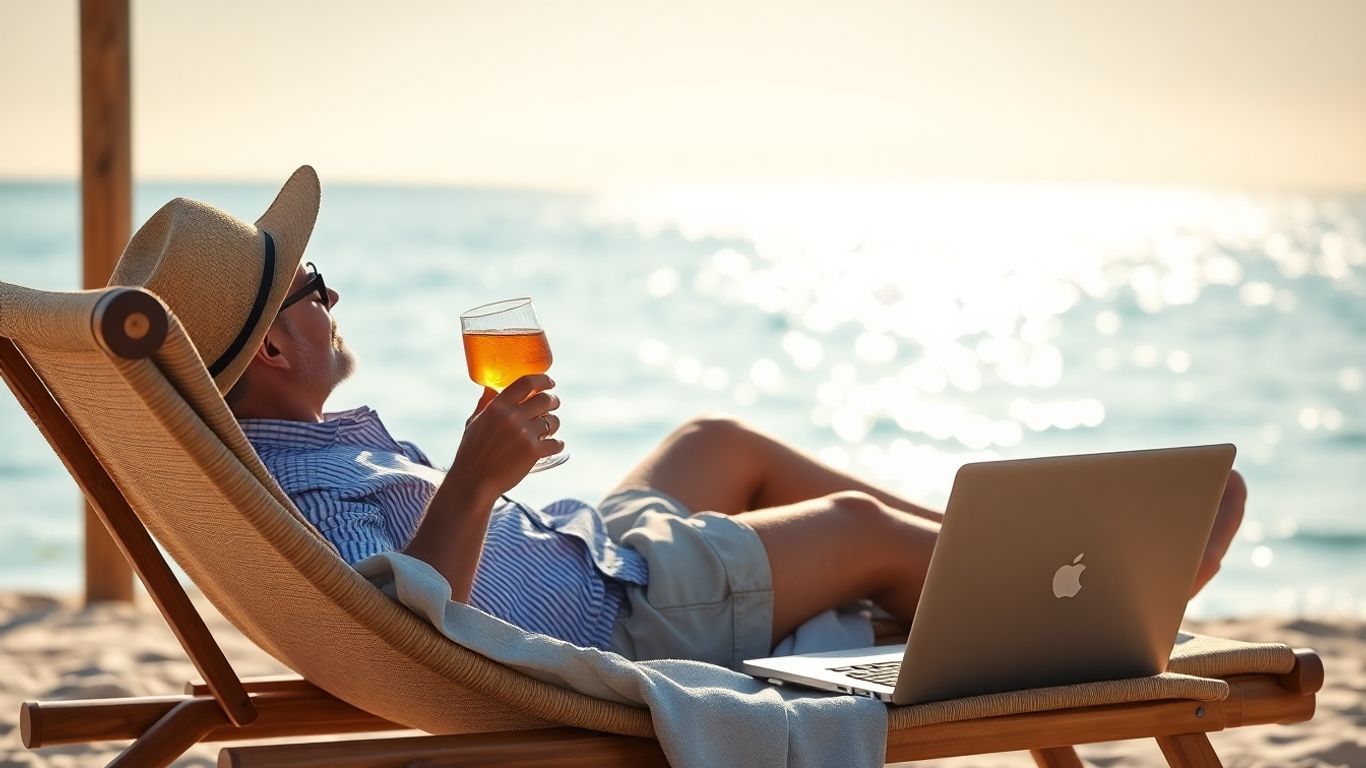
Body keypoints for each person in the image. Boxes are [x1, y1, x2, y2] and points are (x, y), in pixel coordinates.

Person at [111, 166, 1247, 670]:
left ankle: (1011, 546)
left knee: (720, 440)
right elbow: (413, 625)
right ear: (268, 345)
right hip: (625, 618)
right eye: (312, 286)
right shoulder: (304, 494)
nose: (332, 295)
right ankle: (1105, 595)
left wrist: (489, 490)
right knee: (849, 525)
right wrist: (469, 483)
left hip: (589, 547)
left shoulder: (283, 456)